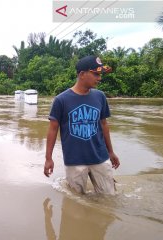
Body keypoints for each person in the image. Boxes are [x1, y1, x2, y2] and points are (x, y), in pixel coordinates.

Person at [44, 55, 120, 194]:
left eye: (100, 74)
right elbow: (53, 130)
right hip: (75, 161)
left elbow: (104, 125)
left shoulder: (100, 96)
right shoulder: (61, 100)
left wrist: (111, 151)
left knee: (110, 198)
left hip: (100, 158)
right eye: (96, 74)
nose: (99, 78)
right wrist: (48, 158)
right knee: (75, 205)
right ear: (82, 74)